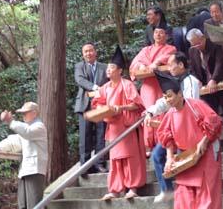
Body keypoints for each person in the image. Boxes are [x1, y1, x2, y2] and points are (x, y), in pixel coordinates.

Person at [155, 74, 222, 209]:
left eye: (169, 95)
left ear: (179, 93)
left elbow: (214, 123)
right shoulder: (170, 114)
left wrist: (204, 141)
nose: (168, 100)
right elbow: (167, 138)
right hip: (185, 159)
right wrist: (169, 158)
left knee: (207, 199)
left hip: (205, 154)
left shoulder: (196, 105)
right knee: (183, 200)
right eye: (165, 97)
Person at [144, 51, 200, 203]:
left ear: (181, 65)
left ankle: (190, 195)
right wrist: (150, 111)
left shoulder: (190, 81)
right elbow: (165, 101)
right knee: (157, 156)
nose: (168, 68)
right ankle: (167, 189)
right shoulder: (173, 81)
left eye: (171, 64)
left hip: (188, 128)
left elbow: (189, 105)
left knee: (185, 163)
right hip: (174, 126)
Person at [92, 46, 146, 200]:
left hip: (126, 126)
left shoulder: (127, 84)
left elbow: (137, 104)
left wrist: (120, 107)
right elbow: (97, 104)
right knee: (115, 160)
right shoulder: (104, 88)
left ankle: (133, 187)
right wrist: (103, 109)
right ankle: (115, 189)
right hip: (113, 128)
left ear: (120, 70)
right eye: (107, 68)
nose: (108, 70)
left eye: (112, 67)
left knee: (130, 157)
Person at [187, 28, 223, 152]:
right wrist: (196, 80)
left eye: (197, 43)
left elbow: (221, 63)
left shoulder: (215, 45)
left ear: (203, 38)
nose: (196, 46)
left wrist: (214, 79)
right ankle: (214, 143)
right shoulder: (193, 51)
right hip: (206, 88)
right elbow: (193, 68)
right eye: (193, 44)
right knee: (211, 115)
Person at [130, 26, 176, 152]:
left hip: (163, 84)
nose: (158, 35)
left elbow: (167, 57)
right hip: (148, 86)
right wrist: (142, 65)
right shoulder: (146, 49)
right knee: (149, 111)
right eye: (156, 32)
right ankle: (148, 144)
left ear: (166, 36)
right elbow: (136, 62)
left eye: (161, 33)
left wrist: (156, 62)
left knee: (163, 111)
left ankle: (164, 140)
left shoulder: (170, 48)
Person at [0, 102, 48, 209]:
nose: (23, 115)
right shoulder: (28, 127)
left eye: (25, 113)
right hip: (25, 170)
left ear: (34, 113)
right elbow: (17, 139)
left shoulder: (39, 127)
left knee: (34, 204)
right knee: (23, 205)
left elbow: (27, 132)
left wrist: (10, 121)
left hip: (35, 170)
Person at [74, 43, 109, 173]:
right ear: (83, 54)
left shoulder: (104, 67)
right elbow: (80, 80)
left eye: (90, 50)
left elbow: (110, 83)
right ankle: (85, 166)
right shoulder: (79, 66)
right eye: (85, 51)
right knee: (85, 136)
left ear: (95, 52)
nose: (88, 53)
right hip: (84, 105)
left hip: (101, 105)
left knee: (101, 135)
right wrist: (95, 87)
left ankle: (100, 163)